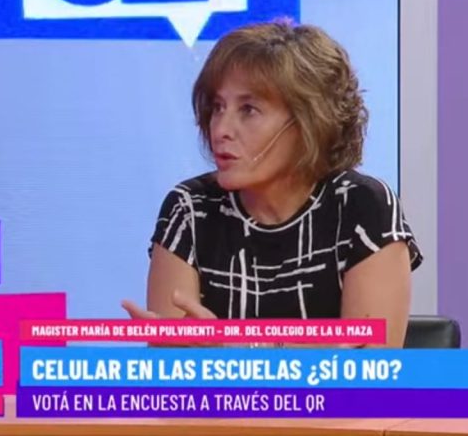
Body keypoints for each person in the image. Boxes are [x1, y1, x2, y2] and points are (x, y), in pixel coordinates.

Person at [122, 18, 423, 348]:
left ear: (308, 122)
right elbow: (173, 370)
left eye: (248, 110)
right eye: (218, 107)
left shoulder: (362, 207)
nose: (220, 129)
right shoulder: (191, 209)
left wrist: (235, 353)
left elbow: (369, 369)